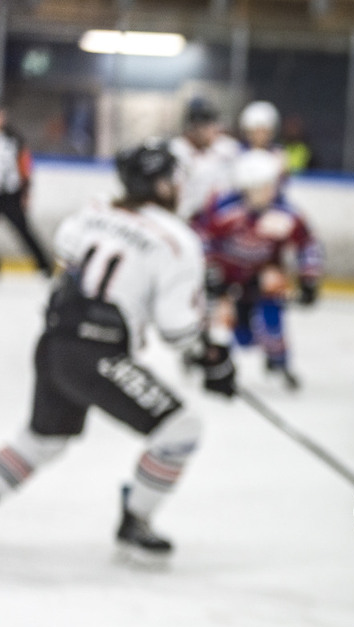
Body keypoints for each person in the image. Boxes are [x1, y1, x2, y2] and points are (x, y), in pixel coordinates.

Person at [0, 139, 236, 560]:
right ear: (162, 185)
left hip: (54, 342)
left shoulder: (94, 211)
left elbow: (67, 250)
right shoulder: (178, 240)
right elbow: (177, 329)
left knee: (40, 442)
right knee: (181, 429)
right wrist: (212, 358)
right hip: (97, 354)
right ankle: (135, 521)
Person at [193, 148, 322, 390]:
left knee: (271, 303)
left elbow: (308, 244)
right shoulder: (224, 209)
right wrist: (209, 271)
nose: (268, 191)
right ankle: (208, 357)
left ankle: (278, 360)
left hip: (262, 275)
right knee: (220, 321)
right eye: (261, 186)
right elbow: (201, 237)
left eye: (270, 185)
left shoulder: (286, 213)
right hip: (226, 277)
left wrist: (309, 278)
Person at [0, 104, 54, 277]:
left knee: (24, 231)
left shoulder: (14, 139)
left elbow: (25, 168)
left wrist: (25, 193)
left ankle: (44, 265)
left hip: (10, 193)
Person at [169, 96, 241, 222]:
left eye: (210, 125)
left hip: (220, 219)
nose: (212, 131)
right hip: (186, 219)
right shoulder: (175, 151)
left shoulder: (227, 148)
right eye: (204, 126)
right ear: (191, 127)